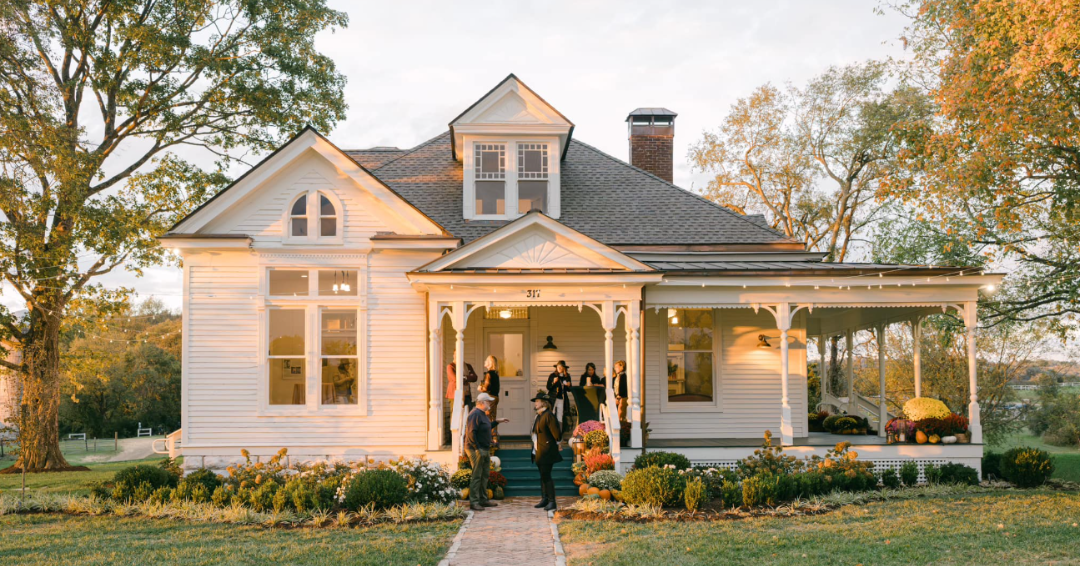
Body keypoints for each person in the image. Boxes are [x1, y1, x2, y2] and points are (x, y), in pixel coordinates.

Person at [465, 393, 498, 511]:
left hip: (484, 448)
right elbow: (471, 433)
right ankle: (474, 502)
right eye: (488, 402)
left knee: (485, 474)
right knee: (477, 475)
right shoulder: (474, 414)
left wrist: (497, 421)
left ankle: (483, 499)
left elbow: (486, 427)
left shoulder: (483, 414)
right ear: (482, 402)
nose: (489, 404)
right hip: (475, 449)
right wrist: (477, 448)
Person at [530, 391, 562, 511]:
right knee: (543, 475)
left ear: (544, 403)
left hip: (547, 451)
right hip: (539, 450)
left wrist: (558, 444)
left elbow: (557, 433)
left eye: (537, 401)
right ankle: (545, 499)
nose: (535, 403)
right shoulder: (538, 416)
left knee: (546, 476)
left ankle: (552, 501)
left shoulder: (548, 415)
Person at [479, 356, 501, 423]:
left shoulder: (488, 374)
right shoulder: (495, 373)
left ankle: (487, 433)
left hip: (490, 397)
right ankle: (494, 433)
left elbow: (485, 388)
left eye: (486, 360)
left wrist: (480, 388)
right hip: (495, 397)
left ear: (489, 363)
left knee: (486, 416)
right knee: (493, 417)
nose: (484, 362)